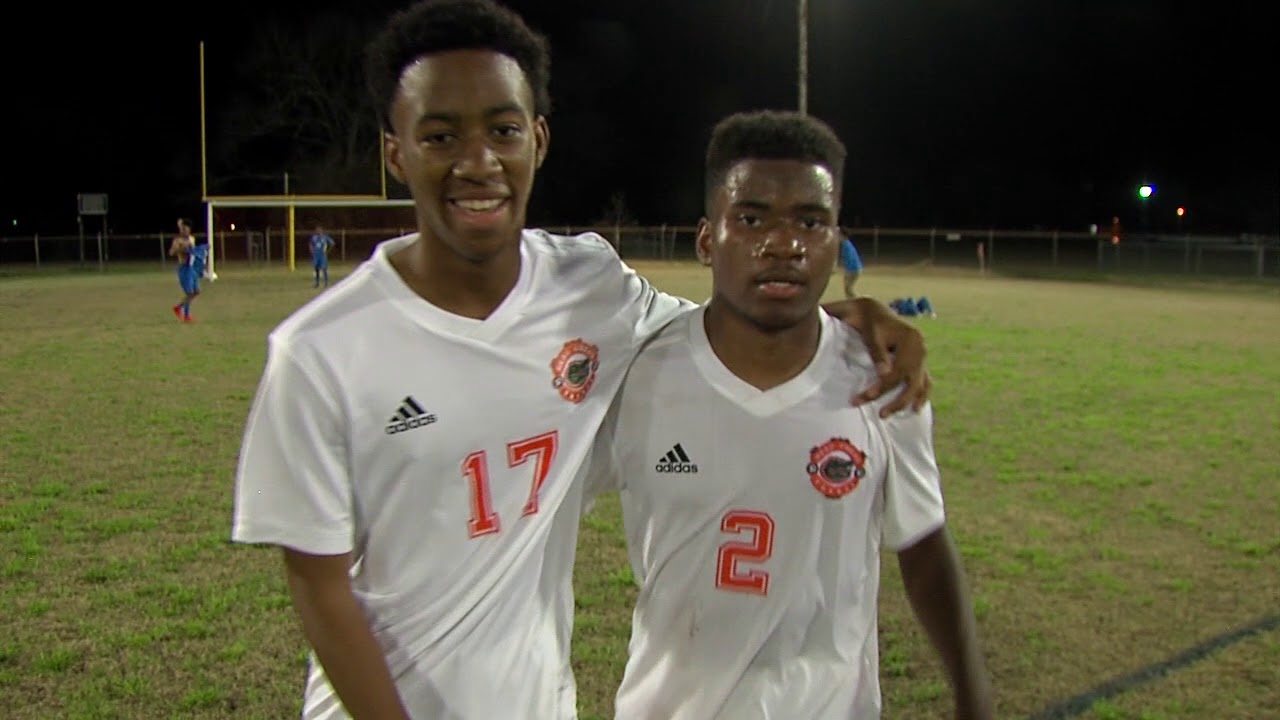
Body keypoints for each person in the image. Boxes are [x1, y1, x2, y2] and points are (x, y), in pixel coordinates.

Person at [229, 1, 931, 718]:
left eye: (502, 130)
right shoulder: (319, 352)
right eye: (440, 136)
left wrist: (851, 318)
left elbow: (728, 330)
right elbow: (320, 590)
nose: (478, 162)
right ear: (396, 152)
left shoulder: (590, 287)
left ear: (537, 140)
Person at [586, 110, 992, 719]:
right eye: (751, 219)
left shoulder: (881, 378)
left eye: (811, 221)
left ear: (836, 241)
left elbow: (924, 541)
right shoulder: (638, 374)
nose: (784, 243)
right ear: (706, 240)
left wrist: (974, 697)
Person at [168, 218, 199, 322]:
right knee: (189, 293)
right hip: (184, 269)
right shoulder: (178, 240)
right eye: (183, 229)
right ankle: (186, 315)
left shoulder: (192, 239)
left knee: (196, 291)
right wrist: (181, 248)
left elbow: (193, 251)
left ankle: (178, 308)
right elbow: (171, 252)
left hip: (192, 268)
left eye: (186, 229)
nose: (184, 231)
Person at [839, 230, 863, 298]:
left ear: (843, 236)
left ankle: (858, 301)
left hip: (853, 269)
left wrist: (848, 271)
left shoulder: (846, 246)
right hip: (854, 269)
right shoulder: (846, 244)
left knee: (849, 289)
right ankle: (851, 302)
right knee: (847, 289)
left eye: (839, 235)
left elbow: (851, 259)